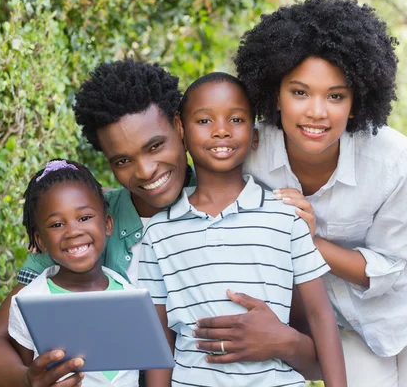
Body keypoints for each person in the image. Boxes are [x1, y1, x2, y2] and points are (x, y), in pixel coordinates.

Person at [0, 60, 321, 387]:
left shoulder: (248, 214)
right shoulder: (83, 224)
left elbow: (318, 357)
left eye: (155, 146)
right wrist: (28, 379)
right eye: (122, 160)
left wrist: (283, 343)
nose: (145, 170)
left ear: (180, 127)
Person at [235, 0, 407, 387]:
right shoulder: (252, 154)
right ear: (274, 93)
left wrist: (309, 240)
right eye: (299, 92)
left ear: (357, 101)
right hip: (345, 314)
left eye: (336, 96)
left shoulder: (392, 157)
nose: (317, 111)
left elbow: (395, 271)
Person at [139, 72, 346, 387]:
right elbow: (160, 344)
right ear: (180, 128)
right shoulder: (158, 233)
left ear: (254, 135)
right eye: (205, 121)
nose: (221, 131)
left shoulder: (286, 219)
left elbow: (321, 317)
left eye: (236, 120)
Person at [8, 159, 138, 386]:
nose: (73, 232)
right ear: (40, 241)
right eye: (57, 224)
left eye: (84, 218)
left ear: (108, 224)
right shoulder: (28, 302)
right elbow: (28, 372)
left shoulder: (129, 294)